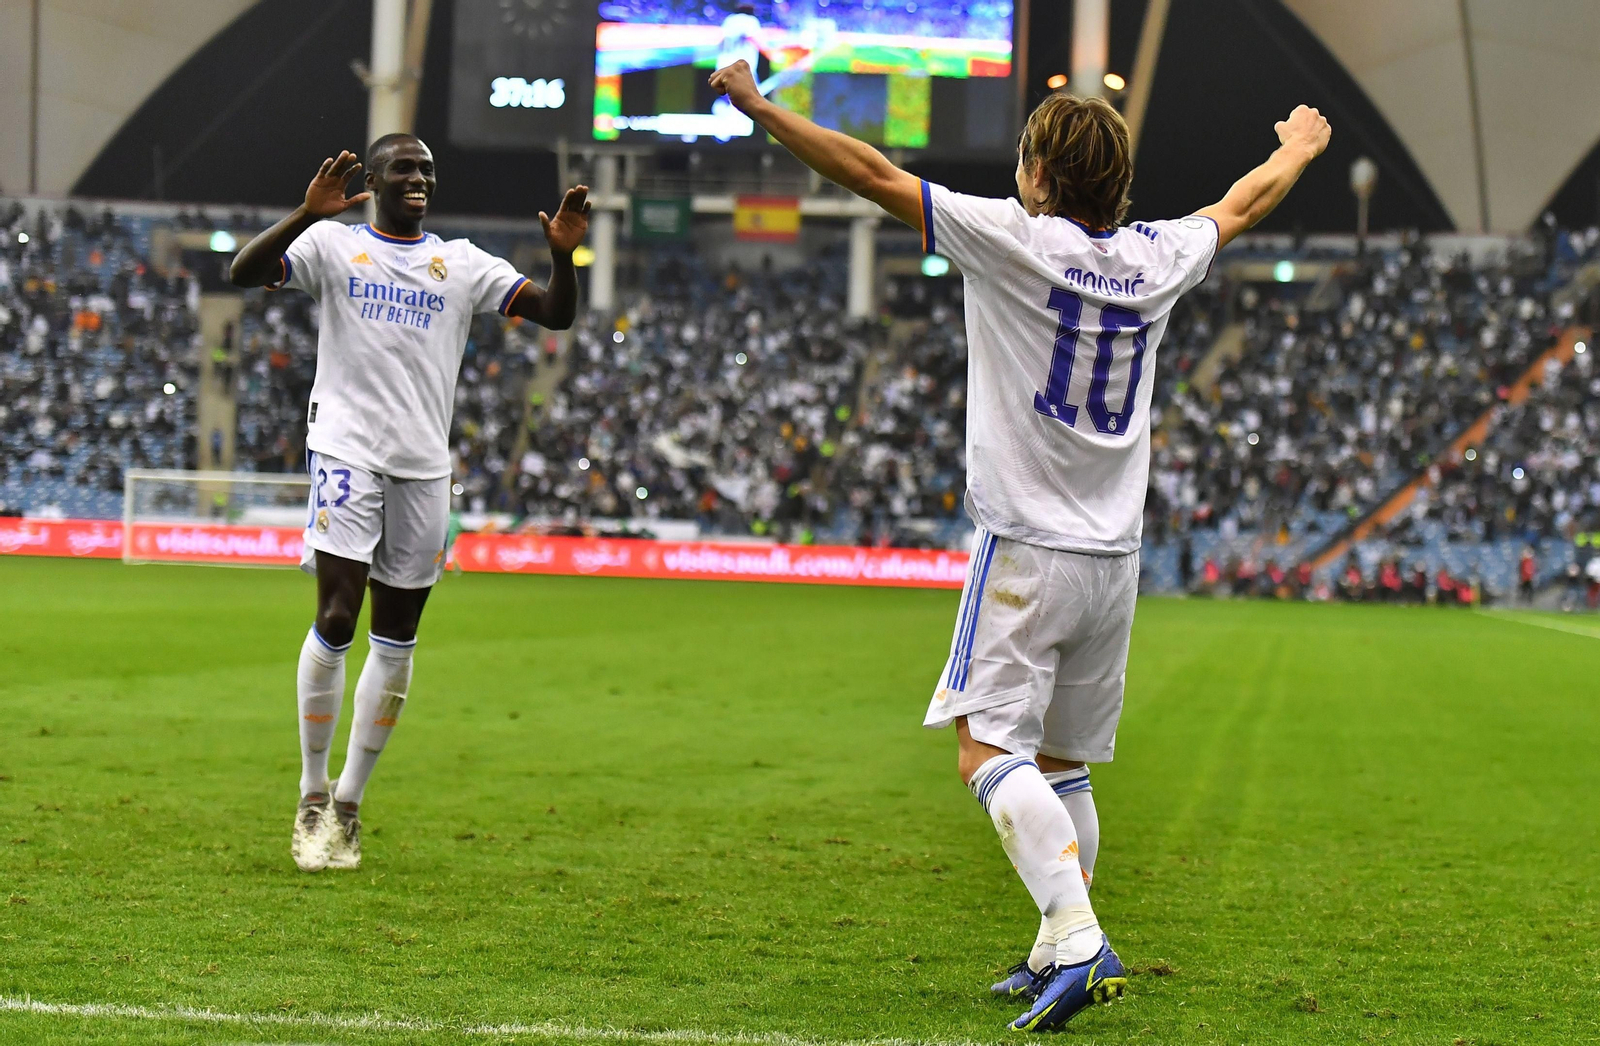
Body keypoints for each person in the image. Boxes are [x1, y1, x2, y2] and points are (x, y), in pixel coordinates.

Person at [709, 60, 1329, 1030]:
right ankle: (1053, 944)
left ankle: (1078, 937)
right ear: (1114, 184)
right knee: (1060, 759)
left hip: (1024, 547)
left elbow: (869, 173)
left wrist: (757, 107)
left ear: (1039, 175)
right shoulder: (1156, 256)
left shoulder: (1010, 238)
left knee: (983, 749)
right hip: (1113, 557)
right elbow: (1240, 204)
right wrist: (1293, 148)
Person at [229, 136, 590, 872]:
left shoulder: (462, 263)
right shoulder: (332, 246)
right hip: (346, 448)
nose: (420, 178)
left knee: (397, 638)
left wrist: (562, 254)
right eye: (405, 168)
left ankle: (351, 802)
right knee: (336, 617)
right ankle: (309, 794)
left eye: (426, 169)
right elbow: (244, 271)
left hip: (424, 468)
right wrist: (305, 211)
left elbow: (555, 314)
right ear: (378, 177)